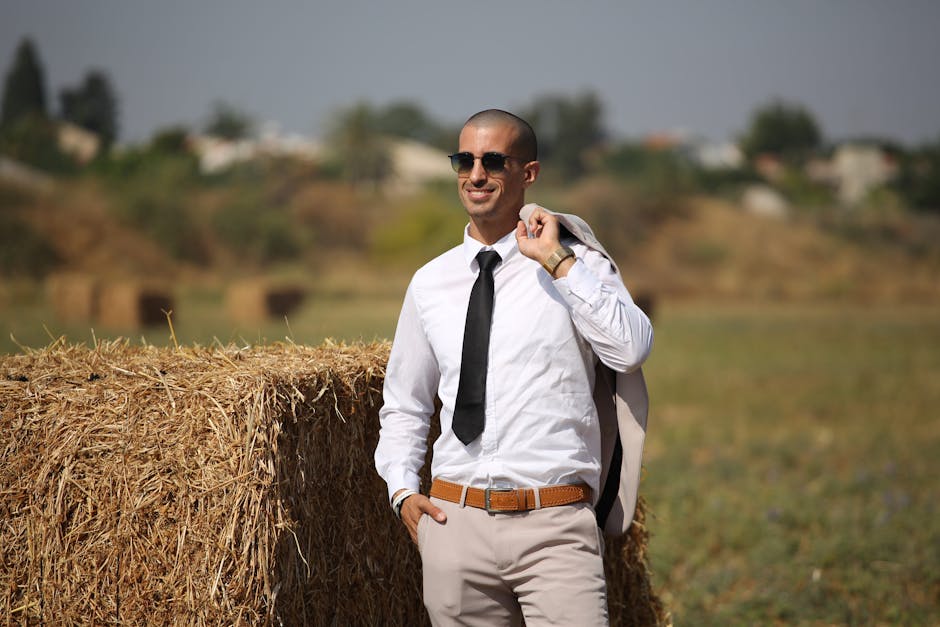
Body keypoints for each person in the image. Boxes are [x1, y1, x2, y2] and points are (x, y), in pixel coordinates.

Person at [374, 109, 653, 626]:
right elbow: (406, 401)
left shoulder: (577, 265)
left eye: (493, 160)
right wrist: (402, 492)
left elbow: (630, 349)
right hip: (454, 526)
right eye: (465, 159)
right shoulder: (429, 283)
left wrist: (558, 261)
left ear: (529, 173)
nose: (476, 174)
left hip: (555, 526)